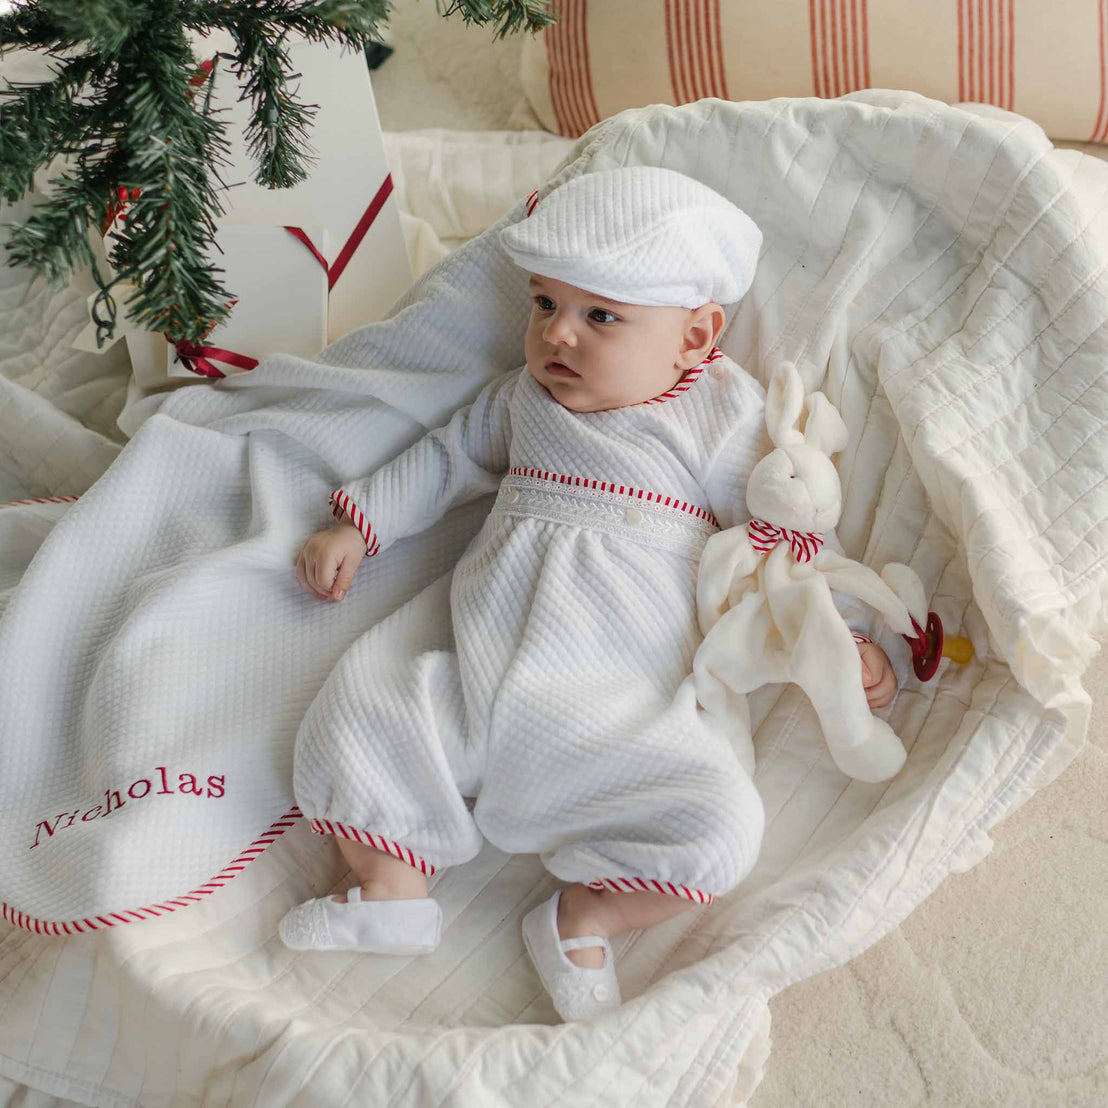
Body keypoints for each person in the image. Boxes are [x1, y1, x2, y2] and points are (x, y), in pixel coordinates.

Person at [278, 166, 898, 1021]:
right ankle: (392, 890)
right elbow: (442, 460)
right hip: (478, 667)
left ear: (695, 336)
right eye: (543, 305)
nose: (557, 336)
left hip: (620, 706)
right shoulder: (522, 401)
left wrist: (846, 635)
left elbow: (787, 538)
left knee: (721, 825)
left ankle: (584, 916)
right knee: (360, 708)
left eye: (600, 315)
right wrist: (359, 526)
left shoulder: (718, 415)